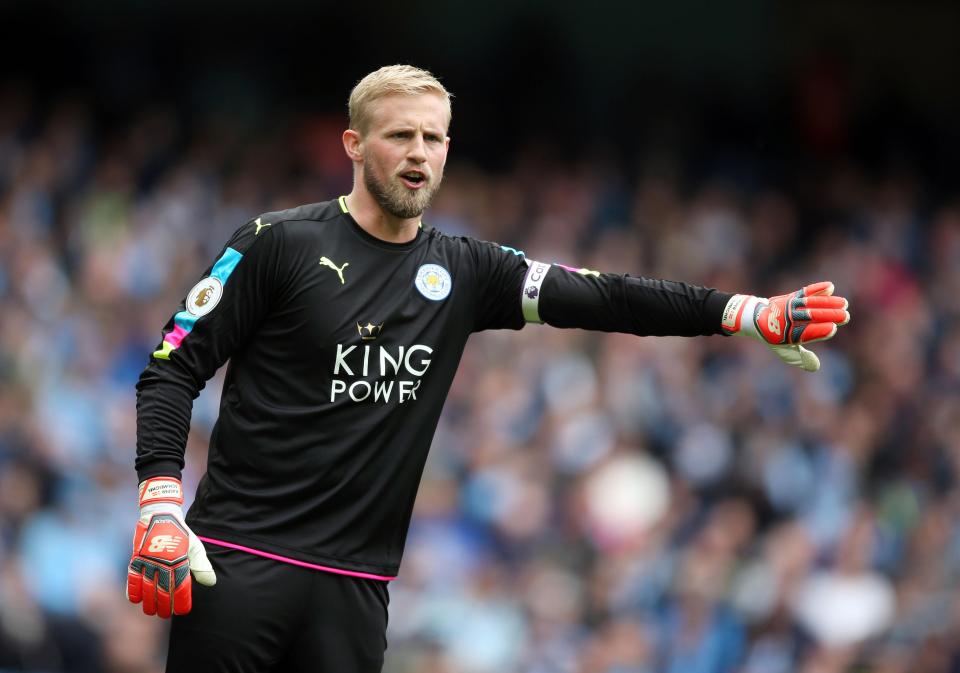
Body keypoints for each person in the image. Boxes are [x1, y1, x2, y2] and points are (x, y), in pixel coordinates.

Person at [127, 64, 850, 672]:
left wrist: (742, 311)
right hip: (236, 562)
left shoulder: (464, 269)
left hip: (356, 587)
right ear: (353, 144)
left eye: (433, 138)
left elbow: (602, 294)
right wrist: (160, 501)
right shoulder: (275, 245)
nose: (419, 152)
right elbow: (170, 367)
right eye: (400, 134)